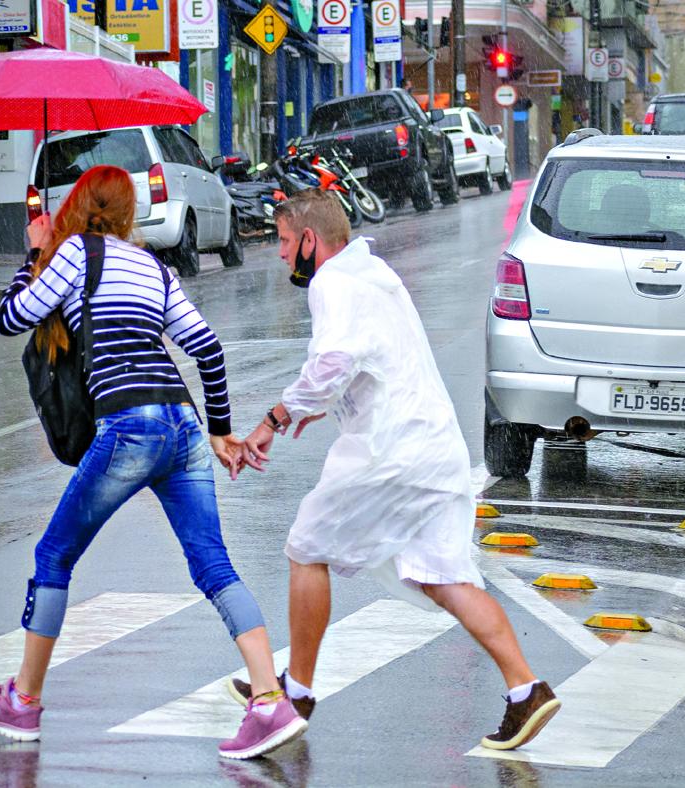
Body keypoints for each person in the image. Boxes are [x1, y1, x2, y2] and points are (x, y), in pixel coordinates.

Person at [0, 166, 307, 760]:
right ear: (126, 213)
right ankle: (270, 699)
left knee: (53, 555)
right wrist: (219, 431)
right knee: (213, 564)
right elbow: (208, 349)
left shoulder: (71, 254)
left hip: (129, 425)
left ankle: (23, 700)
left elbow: (11, 318)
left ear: (80, 206)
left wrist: (33, 253)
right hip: (182, 426)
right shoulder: (153, 268)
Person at [227, 189, 561, 750]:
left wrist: (275, 417)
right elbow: (364, 358)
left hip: (391, 451)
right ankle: (526, 689)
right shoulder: (374, 273)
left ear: (310, 240)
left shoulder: (333, 282)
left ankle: (296, 692)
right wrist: (319, 404)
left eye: (285, 242)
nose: (281, 254)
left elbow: (334, 361)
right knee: (443, 576)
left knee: (306, 547)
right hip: (435, 449)